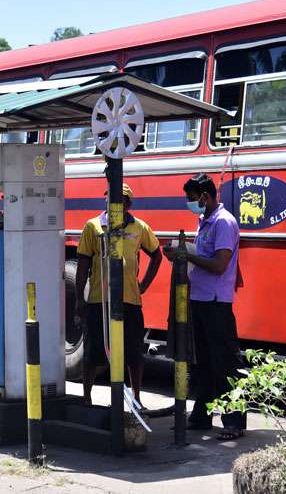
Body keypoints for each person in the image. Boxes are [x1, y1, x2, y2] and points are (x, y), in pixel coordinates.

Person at [163, 173, 246, 441]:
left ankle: (233, 422)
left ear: (204, 196)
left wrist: (187, 255)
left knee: (224, 364)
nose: (190, 203)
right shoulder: (205, 220)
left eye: (191, 199)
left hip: (215, 302)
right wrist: (181, 253)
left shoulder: (223, 222)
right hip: (199, 298)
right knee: (203, 363)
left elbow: (220, 264)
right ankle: (201, 417)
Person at [75, 184, 162, 405]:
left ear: (128, 204)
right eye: (110, 198)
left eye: (120, 200)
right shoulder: (93, 227)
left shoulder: (140, 227)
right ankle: (86, 397)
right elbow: (83, 264)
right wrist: (79, 298)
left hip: (130, 300)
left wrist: (143, 285)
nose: (113, 203)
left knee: (134, 353)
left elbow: (156, 255)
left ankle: (137, 398)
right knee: (93, 351)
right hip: (99, 300)